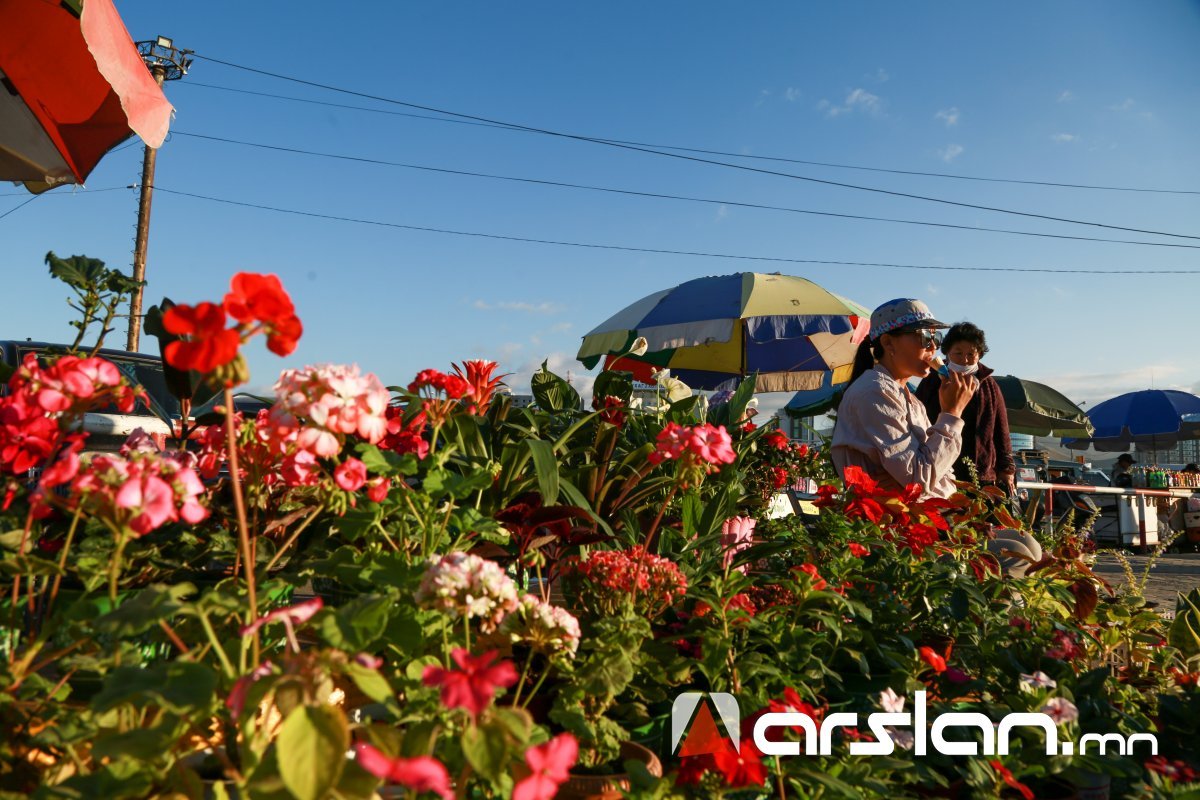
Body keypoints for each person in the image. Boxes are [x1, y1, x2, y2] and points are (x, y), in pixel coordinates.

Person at [832, 298, 1042, 577]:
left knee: (1027, 545)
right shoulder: (874, 392)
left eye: (936, 337)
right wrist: (952, 413)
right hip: (902, 529)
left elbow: (943, 466)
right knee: (1020, 558)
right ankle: (991, 620)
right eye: (923, 337)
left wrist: (967, 515)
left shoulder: (908, 396)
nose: (933, 347)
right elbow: (917, 479)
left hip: (934, 517)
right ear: (888, 343)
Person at [915, 322, 1016, 494]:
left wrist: (1006, 470)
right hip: (940, 468)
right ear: (947, 352)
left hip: (980, 473)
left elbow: (1002, 429)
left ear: (980, 355)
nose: (965, 359)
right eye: (958, 353)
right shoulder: (931, 381)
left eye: (971, 354)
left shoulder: (989, 386)